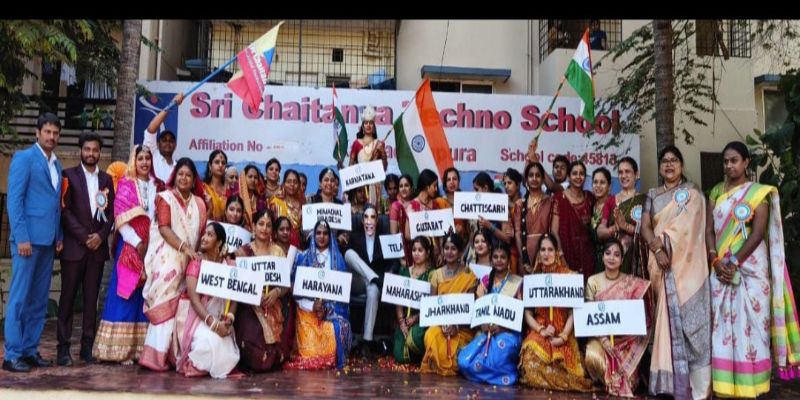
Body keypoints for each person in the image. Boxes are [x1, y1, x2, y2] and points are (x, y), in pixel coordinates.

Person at [706, 141, 800, 397]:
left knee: (754, 328)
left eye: (734, 160)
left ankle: (753, 386)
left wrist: (734, 262)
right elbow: (709, 230)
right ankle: (725, 387)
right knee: (722, 329)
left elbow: (758, 233)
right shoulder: (716, 191)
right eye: (726, 161)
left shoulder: (758, 193)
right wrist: (715, 260)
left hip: (750, 272)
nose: (729, 166)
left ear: (746, 162)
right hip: (720, 271)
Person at [640, 145, 711, 399]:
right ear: (660, 168)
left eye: (674, 160)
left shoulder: (693, 193)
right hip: (662, 265)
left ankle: (698, 387)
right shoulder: (652, 194)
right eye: (665, 161)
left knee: (693, 319)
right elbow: (645, 226)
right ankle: (672, 385)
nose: (669, 164)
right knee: (667, 319)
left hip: (690, 268)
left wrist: (669, 243)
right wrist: (658, 248)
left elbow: (698, 227)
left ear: (681, 165)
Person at [93, 145, 165, 364]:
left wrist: (150, 244)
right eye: (140, 158)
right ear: (134, 161)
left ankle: (141, 350)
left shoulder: (158, 185)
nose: (144, 162)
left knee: (146, 296)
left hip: (152, 247)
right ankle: (119, 351)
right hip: (130, 246)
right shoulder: (126, 184)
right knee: (126, 293)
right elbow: (120, 217)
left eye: (147, 158)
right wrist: (136, 242)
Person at [3, 113, 64, 373]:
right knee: (19, 298)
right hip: (27, 242)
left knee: (39, 300)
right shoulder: (24, 158)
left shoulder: (57, 164)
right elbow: (14, 201)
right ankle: (12, 354)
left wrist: (59, 235)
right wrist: (21, 237)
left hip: (48, 241)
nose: (51, 137)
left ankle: (29, 350)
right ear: (37, 133)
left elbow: (55, 204)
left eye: (55, 133)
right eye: (47, 132)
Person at [140, 158, 208, 372]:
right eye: (180, 174)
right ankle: (155, 357)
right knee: (164, 303)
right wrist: (184, 248)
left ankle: (174, 356)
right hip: (166, 260)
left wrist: (195, 254)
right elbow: (163, 228)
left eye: (188, 175)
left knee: (182, 308)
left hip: (188, 263)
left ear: (194, 179)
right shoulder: (165, 198)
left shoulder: (200, 204)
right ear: (174, 176)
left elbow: (202, 233)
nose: (184, 178)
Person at [58, 132, 115, 365]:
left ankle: (87, 347)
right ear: (80, 150)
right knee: (68, 299)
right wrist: (85, 237)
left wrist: (101, 236)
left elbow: (111, 213)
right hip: (74, 249)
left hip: (97, 251)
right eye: (87, 149)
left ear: (100, 152)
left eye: (95, 150)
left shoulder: (106, 179)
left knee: (91, 300)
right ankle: (63, 349)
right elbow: (64, 210)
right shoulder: (68, 175)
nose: (91, 153)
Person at [518, 234, 593, 391]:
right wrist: (541, 330)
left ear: (557, 252)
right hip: (541, 328)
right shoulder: (534, 278)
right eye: (543, 250)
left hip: (563, 329)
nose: (546, 254)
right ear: (538, 253)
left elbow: (573, 312)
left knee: (568, 369)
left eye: (550, 250)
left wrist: (563, 336)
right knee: (530, 359)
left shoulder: (569, 276)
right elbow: (528, 314)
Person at [583, 239, 651, 397]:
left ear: (622, 259)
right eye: (608, 253)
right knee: (592, 355)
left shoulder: (630, 282)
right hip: (600, 339)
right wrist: (604, 339)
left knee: (630, 381)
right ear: (602, 257)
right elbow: (588, 316)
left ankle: (617, 381)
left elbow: (638, 315)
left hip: (625, 341)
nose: (611, 258)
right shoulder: (593, 281)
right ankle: (608, 381)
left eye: (616, 254)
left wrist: (624, 337)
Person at [175, 222, 240, 378]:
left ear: (219, 243)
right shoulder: (196, 264)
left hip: (221, 320)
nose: (204, 238)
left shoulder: (229, 265)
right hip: (198, 319)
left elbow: (235, 296)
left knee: (226, 347)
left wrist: (228, 320)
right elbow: (194, 301)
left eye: (210, 235)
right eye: (204, 234)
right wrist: (213, 324)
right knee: (207, 344)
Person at [285, 220, 352, 370]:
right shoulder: (303, 258)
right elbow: (297, 291)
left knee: (335, 332)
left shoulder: (338, 259)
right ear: (313, 235)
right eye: (318, 233)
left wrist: (326, 309)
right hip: (307, 312)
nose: (321, 237)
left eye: (325, 233)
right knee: (310, 353)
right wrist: (312, 306)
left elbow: (342, 295)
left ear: (330, 236)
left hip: (331, 312)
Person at [233, 209, 293, 372]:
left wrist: (276, 292)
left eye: (268, 225)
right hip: (249, 306)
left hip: (273, 305)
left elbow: (286, 284)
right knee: (254, 349)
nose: (264, 229)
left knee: (274, 353)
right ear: (253, 226)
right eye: (260, 224)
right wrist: (253, 295)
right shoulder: (243, 252)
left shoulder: (277, 251)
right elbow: (237, 284)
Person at [457, 242, 523, 386]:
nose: (499, 260)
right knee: (464, 362)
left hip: (507, 332)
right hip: (486, 330)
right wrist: (484, 325)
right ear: (491, 259)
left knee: (499, 356)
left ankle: (500, 375)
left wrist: (502, 328)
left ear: (508, 260)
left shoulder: (516, 282)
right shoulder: (486, 281)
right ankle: (488, 374)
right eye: (496, 257)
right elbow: (478, 308)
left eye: (503, 257)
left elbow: (518, 313)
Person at [420, 232, 478, 376]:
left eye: (453, 248)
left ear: (460, 252)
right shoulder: (436, 275)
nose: (449, 252)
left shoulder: (469, 276)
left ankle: (447, 364)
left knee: (458, 346)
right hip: (441, 325)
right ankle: (439, 362)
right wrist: (442, 325)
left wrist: (456, 327)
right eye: (446, 248)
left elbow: (470, 311)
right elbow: (432, 309)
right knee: (430, 334)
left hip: (462, 329)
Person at [343, 204, 393, 358]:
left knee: (373, 290)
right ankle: (373, 277)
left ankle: (367, 340)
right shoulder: (355, 237)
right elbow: (347, 259)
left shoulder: (384, 240)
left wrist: (383, 278)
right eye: (366, 217)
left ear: (377, 220)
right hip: (357, 281)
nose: (369, 221)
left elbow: (393, 263)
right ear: (362, 221)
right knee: (349, 254)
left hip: (374, 284)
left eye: (372, 217)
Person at [598, 157, 648, 277]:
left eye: (627, 171)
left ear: (636, 174)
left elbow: (649, 232)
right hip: (613, 258)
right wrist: (614, 228)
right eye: (620, 172)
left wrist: (626, 226)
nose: (623, 175)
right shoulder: (611, 200)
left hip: (636, 260)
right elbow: (600, 231)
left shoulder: (644, 200)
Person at [393, 237, 434, 364]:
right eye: (414, 250)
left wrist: (416, 318)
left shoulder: (432, 274)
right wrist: (401, 322)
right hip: (405, 319)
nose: (416, 253)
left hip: (422, 321)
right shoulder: (404, 271)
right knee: (399, 355)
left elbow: (432, 303)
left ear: (427, 253)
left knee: (415, 339)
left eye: (420, 250)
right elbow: (398, 298)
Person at [553, 161, 595, 280]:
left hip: (587, 256)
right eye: (574, 173)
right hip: (566, 253)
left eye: (581, 173)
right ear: (568, 176)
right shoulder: (559, 198)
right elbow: (554, 231)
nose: (578, 177)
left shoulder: (590, 197)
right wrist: (561, 256)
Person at [514, 162, 557, 275]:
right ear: (526, 180)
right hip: (525, 252)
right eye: (531, 175)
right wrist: (523, 257)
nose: (534, 178)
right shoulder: (520, 204)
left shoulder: (551, 201)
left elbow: (553, 231)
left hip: (546, 251)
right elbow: (517, 233)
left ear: (542, 179)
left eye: (538, 175)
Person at [348, 106, 388, 213]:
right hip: (360, 183)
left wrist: (382, 153)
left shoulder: (379, 144)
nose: (368, 125)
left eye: (371, 123)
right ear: (362, 126)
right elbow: (351, 165)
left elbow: (384, 168)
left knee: (373, 211)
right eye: (366, 123)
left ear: (374, 126)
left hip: (375, 184)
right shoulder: (356, 143)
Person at [144, 93, 182, 182]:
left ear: (175, 145)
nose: (168, 143)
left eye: (171, 141)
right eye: (164, 140)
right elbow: (151, 129)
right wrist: (172, 104)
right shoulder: (152, 155)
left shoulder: (178, 167)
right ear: (158, 144)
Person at [269, 169, 304, 249]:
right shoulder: (276, 202)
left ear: (299, 185)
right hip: (278, 247)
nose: (292, 185)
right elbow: (271, 227)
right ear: (284, 184)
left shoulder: (303, 206)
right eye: (289, 181)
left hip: (297, 248)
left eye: (295, 182)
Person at [589, 167, 614, 272]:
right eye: (595, 182)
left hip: (610, 260)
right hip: (592, 260)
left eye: (602, 182)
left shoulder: (614, 205)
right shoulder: (590, 205)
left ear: (609, 186)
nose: (598, 185)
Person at [438, 167, 470, 244]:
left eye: (454, 179)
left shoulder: (466, 200)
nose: (452, 182)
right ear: (445, 183)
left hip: (465, 243)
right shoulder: (440, 202)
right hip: (445, 244)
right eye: (448, 180)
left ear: (459, 181)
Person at [389, 174, 415, 266]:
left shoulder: (416, 204)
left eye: (406, 185)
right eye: (401, 186)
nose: (403, 188)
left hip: (417, 247)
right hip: (403, 252)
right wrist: (401, 257)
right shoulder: (395, 206)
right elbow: (394, 234)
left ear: (411, 188)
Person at [503, 168, 523, 274]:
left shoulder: (525, 204)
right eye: (505, 183)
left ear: (518, 184)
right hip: (507, 253)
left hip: (522, 253)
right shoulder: (502, 205)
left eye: (509, 183)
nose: (506, 186)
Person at [202, 150, 228, 221]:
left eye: (223, 163)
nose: (220, 165)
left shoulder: (229, 190)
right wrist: (210, 208)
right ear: (210, 166)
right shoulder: (203, 189)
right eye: (217, 162)